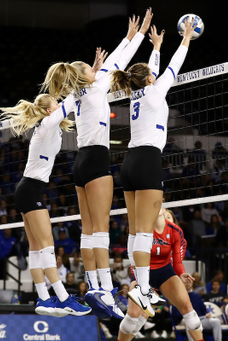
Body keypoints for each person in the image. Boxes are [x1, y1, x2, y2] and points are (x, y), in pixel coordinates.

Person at [41, 11, 151, 319]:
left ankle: (93, 285)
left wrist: (129, 39)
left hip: (79, 164)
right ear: (86, 75)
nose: (97, 67)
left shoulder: (79, 93)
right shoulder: (94, 87)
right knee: (100, 231)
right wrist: (137, 35)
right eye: (92, 67)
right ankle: (103, 288)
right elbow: (118, 60)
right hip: (97, 159)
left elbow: (112, 62)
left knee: (88, 231)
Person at [111, 17, 196, 317]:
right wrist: (185, 38)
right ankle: (144, 290)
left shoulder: (139, 92)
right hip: (147, 161)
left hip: (130, 163)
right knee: (144, 233)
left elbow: (153, 71)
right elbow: (174, 65)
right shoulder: (154, 91)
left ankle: (141, 287)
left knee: (136, 231)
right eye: (151, 75)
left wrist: (157, 46)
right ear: (149, 79)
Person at [0, 83, 90, 317]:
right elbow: (68, 103)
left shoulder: (49, 125)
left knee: (37, 248)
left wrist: (63, 90)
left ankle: (43, 299)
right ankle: (63, 297)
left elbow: (62, 104)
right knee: (47, 246)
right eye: (56, 105)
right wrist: (80, 85)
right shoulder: (48, 123)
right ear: (50, 111)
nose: (59, 106)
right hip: (30, 190)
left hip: (28, 189)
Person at [117, 207, 204, 341]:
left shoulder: (176, 232)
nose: (166, 218)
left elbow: (177, 261)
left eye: (169, 217)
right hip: (143, 273)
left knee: (190, 313)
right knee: (133, 319)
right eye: (165, 216)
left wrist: (181, 274)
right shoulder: (144, 227)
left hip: (165, 273)